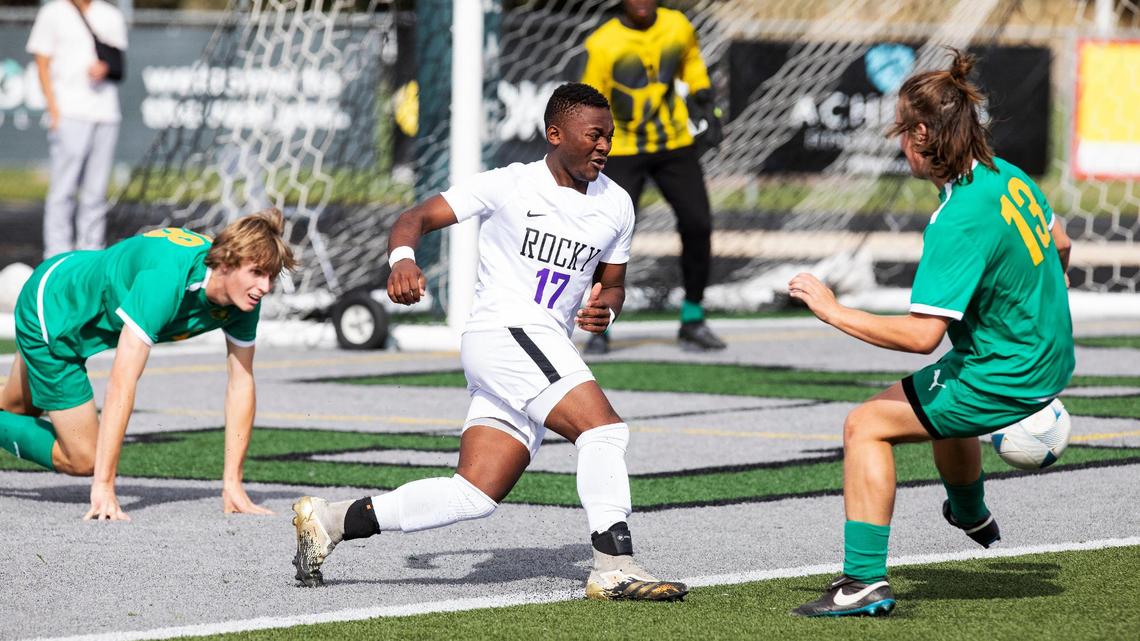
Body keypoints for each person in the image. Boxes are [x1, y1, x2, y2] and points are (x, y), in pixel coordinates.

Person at [291, 83, 687, 601]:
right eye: (594, 135)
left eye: (610, 136)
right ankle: (613, 566)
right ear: (555, 134)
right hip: (506, 332)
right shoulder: (510, 184)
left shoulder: (617, 204)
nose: (605, 146)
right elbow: (414, 218)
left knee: (474, 493)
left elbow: (613, 284)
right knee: (603, 432)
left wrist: (606, 308)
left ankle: (332, 521)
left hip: (535, 346)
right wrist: (402, 261)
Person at [785, 50, 1075, 617]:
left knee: (865, 425)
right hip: (1050, 356)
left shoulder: (959, 217)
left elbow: (922, 336)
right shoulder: (1006, 176)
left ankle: (863, 581)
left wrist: (831, 309)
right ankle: (970, 512)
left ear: (922, 134)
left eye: (900, 131)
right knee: (936, 398)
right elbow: (1060, 239)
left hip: (1008, 373)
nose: (898, 144)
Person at [0, 208, 297, 520]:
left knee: (17, 409)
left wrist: (233, 483)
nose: (264, 287)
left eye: (270, 277)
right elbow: (122, 382)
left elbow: (241, 382)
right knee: (84, 457)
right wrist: (103, 485)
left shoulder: (242, 299)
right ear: (225, 263)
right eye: (256, 273)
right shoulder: (167, 281)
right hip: (55, 312)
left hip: (68, 285)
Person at [579, 0, 726, 353]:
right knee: (607, 234)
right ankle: (600, 323)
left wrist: (705, 99)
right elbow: (589, 102)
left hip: (674, 144)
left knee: (697, 223)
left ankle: (693, 318)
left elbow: (691, 63)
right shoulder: (603, 42)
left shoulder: (677, 25)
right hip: (624, 149)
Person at [27, 0, 128, 259]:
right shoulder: (53, 12)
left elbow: (117, 61)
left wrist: (105, 68)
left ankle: (91, 251)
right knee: (64, 188)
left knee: (95, 190)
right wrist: (54, 109)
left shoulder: (111, 15)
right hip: (69, 111)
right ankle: (56, 254)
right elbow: (41, 62)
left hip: (105, 112)